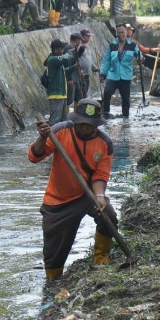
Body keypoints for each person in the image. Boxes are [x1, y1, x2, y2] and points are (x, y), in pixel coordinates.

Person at [29, 98, 118, 280]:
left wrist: (99, 196)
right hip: (58, 200)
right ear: (75, 120)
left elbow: (101, 175)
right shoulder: (60, 131)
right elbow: (34, 157)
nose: (86, 128)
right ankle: (52, 282)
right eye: (82, 124)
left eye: (90, 125)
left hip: (86, 195)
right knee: (53, 256)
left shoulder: (104, 143)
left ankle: (101, 258)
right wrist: (42, 137)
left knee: (108, 214)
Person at [99, 23, 157, 119]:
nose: (120, 35)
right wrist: (103, 74)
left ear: (126, 33)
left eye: (122, 32)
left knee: (125, 98)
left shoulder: (132, 45)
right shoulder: (112, 45)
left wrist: (141, 59)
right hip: (113, 75)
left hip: (125, 76)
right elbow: (106, 60)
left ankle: (125, 118)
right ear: (116, 33)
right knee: (107, 93)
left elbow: (140, 56)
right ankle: (106, 113)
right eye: (118, 33)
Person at [44, 39, 77, 124]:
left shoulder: (58, 61)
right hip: (56, 96)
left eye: (62, 49)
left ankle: (60, 137)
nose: (61, 51)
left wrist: (74, 67)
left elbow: (64, 72)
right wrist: (69, 51)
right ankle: (52, 136)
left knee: (63, 121)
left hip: (61, 95)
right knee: (55, 121)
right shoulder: (53, 59)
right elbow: (66, 58)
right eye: (59, 49)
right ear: (54, 50)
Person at [78, 28, 98, 98]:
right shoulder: (79, 46)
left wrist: (95, 68)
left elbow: (89, 60)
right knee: (83, 94)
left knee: (86, 93)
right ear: (82, 36)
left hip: (87, 75)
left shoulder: (87, 47)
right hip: (81, 75)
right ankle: (81, 108)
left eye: (89, 36)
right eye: (87, 36)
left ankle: (86, 107)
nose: (89, 38)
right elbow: (77, 58)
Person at [66, 32, 84, 105]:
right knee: (69, 99)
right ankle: (66, 115)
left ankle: (77, 114)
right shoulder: (69, 49)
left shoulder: (74, 48)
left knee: (78, 97)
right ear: (76, 40)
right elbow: (67, 64)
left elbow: (75, 59)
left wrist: (81, 50)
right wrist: (69, 79)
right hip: (72, 79)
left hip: (76, 78)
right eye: (79, 40)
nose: (80, 42)